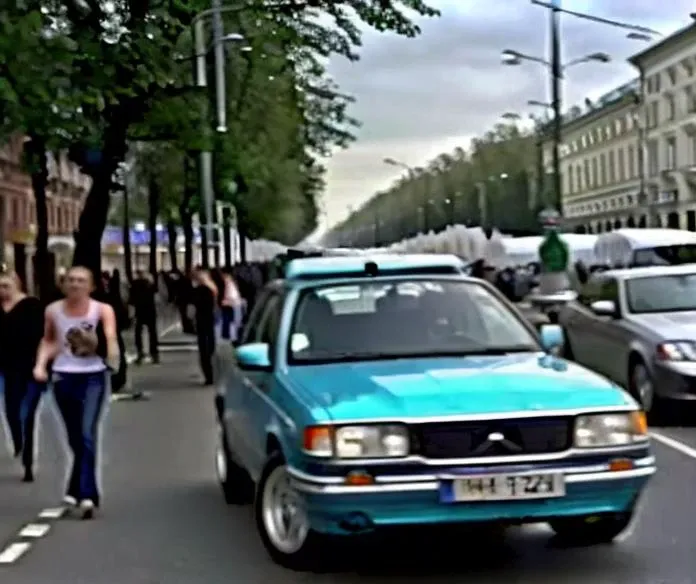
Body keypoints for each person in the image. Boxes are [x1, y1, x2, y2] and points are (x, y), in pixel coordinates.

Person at [33, 266, 119, 519]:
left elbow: (110, 335)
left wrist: (113, 356)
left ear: (91, 286)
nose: (75, 285)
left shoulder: (101, 310)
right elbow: (49, 341)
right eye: (70, 280)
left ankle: (87, 495)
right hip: (63, 376)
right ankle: (76, 487)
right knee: (74, 438)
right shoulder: (53, 311)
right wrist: (40, 365)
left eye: (81, 281)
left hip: (93, 376)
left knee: (87, 433)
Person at [0, 270, 44, 482]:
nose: (2, 291)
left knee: (27, 413)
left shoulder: (32, 306)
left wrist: (42, 364)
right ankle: (18, 441)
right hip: (7, 369)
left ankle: (28, 461)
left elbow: (42, 335)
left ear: (17, 284)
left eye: (6, 286)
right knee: (10, 412)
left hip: (31, 368)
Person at [191, 268, 217, 385]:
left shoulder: (200, 290)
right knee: (211, 348)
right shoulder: (212, 289)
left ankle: (209, 376)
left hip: (202, 321)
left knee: (204, 350)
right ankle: (213, 375)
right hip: (210, 321)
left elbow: (195, 304)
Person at [129, 270, 159, 364]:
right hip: (150, 310)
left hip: (140, 311)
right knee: (152, 332)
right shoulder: (149, 283)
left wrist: (131, 312)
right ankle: (154, 355)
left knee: (138, 333)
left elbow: (132, 299)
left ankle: (140, 354)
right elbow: (156, 293)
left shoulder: (135, 284)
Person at [220, 269, 243, 342]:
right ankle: (228, 334)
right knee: (232, 320)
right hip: (232, 303)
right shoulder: (232, 283)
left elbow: (231, 295)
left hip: (230, 303)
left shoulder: (228, 283)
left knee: (230, 320)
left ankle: (227, 334)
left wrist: (226, 300)